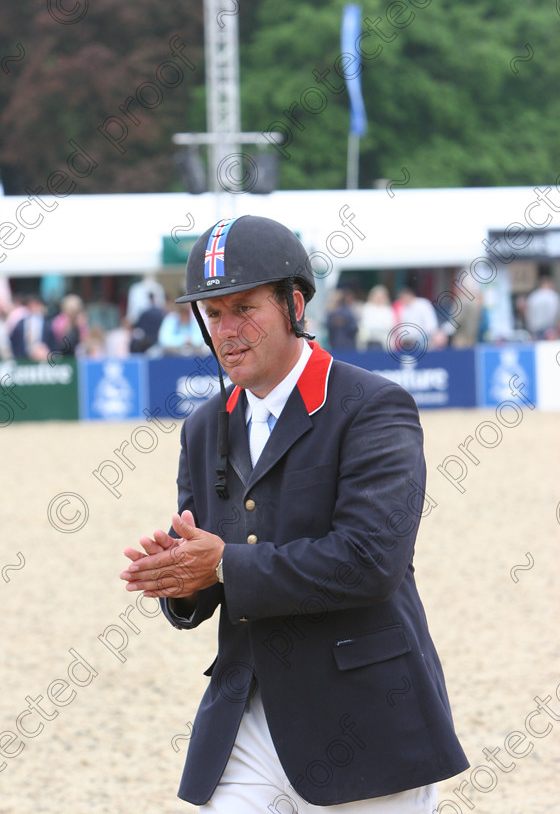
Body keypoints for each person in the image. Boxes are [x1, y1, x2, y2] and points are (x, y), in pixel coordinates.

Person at [120, 216, 468, 813]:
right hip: (245, 719)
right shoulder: (204, 427)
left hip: (365, 716)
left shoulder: (374, 408)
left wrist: (224, 564)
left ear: (294, 303)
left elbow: (369, 562)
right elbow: (208, 576)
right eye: (212, 313)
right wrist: (179, 582)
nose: (226, 330)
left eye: (243, 308)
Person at [357, 284, 396, 350]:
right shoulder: (367, 308)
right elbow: (366, 324)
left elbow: (390, 325)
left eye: (381, 297)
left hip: (384, 341)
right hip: (369, 340)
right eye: (377, 296)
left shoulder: (388, 310)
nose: (379, 299)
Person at [524, 274, 560, 339]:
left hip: (535, 328)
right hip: (550, 328)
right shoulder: (553, 295)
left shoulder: (533, 296)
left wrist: (530, 327)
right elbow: (555, 312)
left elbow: (528, 312)